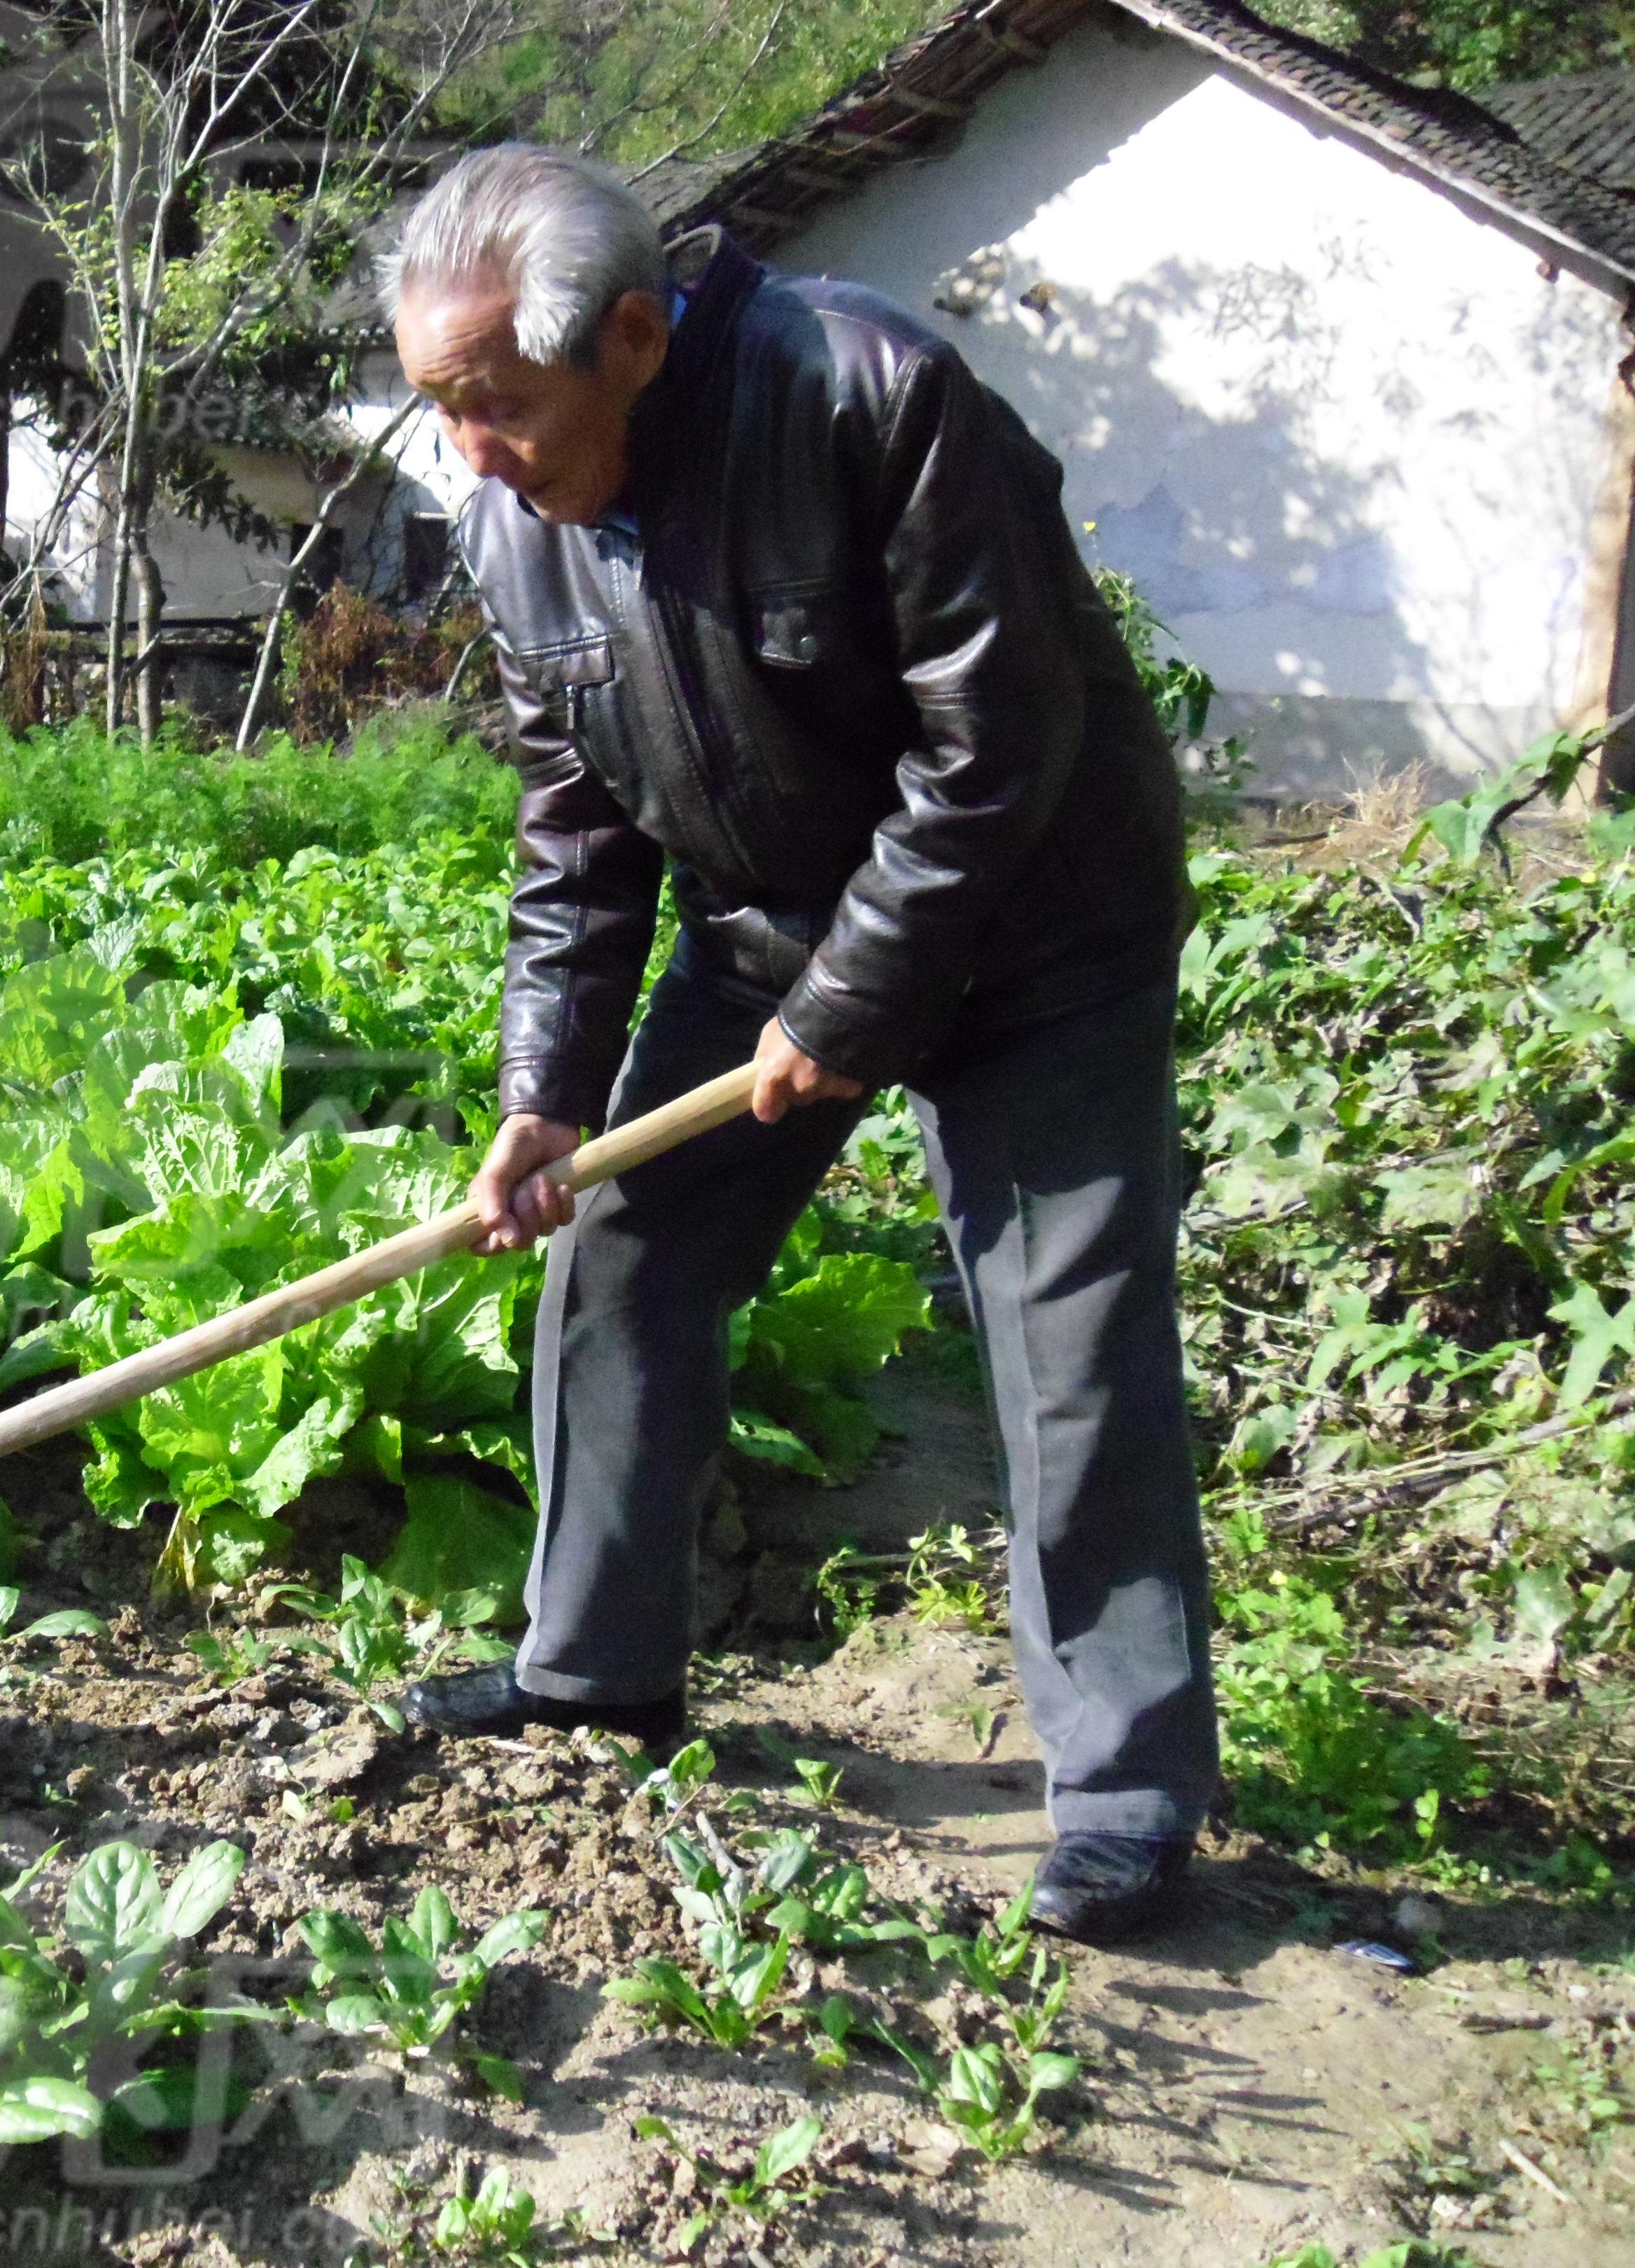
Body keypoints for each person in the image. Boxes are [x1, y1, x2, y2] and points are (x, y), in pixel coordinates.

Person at [382, 145, 1218, 1945]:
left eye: (497, 403)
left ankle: (1127, 1792)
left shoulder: (866, 395)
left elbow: (996, 744)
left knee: (1066, 1341)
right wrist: (545, 1097)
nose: (473, 449)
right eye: (439, 408)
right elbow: (577, 838)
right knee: (625, 1247)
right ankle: (595, 1673)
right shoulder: (513, 523)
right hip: (768, 931)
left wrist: (850, 1013)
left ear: (631, 337)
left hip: (1040, 932)